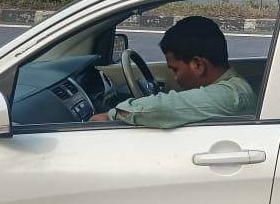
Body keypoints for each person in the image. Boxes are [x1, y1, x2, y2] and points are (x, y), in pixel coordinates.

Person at [90, 16, 255, 129]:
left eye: (175, 69)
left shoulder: (233, 95)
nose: (175, 78)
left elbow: (162, 109)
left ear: (198, 64)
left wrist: (111, 115)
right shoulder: (231, 89)